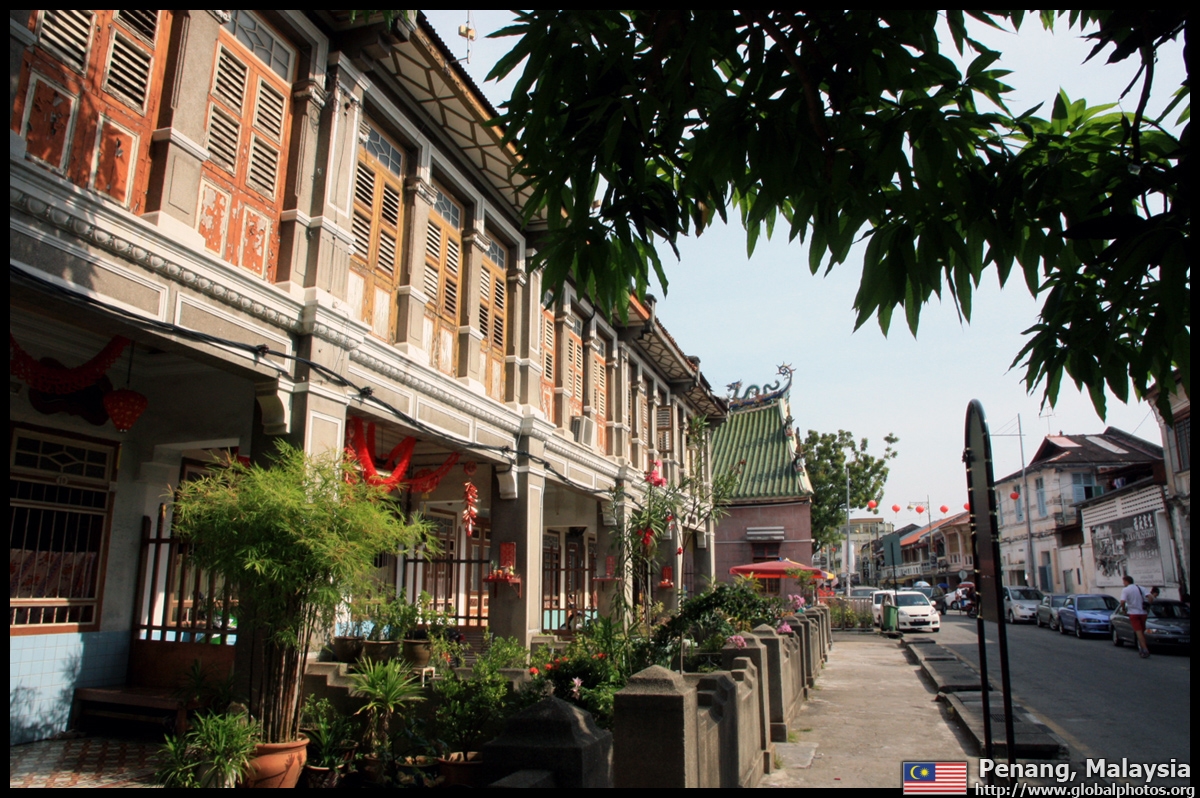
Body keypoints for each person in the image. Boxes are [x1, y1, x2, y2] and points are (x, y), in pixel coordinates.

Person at [1119, 575, 1152, 658]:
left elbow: (1122, 601)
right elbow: (1150, 597)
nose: (1123, 583)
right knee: (1142, 631)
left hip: (1133, 613)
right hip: (1143, 613)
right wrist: (1149, 605)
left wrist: (1123, 609)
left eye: (1123, 582)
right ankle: (1142, 648)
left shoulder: (1125, 590)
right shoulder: (1141, 588)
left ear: (1126, 581)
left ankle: (1145, 649)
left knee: (1138, 632)